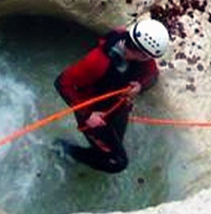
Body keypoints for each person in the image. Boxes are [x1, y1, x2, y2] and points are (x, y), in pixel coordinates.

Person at [53, 18, 170, 173]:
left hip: (118, 106)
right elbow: (62, 83)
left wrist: (139, 87)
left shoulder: (141, 56)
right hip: (93, 113)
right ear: (142, 54)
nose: (150, 60)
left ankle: (94, 154)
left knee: (113, 145)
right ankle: (64, 149)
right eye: (148, 57)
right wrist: (87, 115)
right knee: (117, 162)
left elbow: (152, 75)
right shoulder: (97, 61)